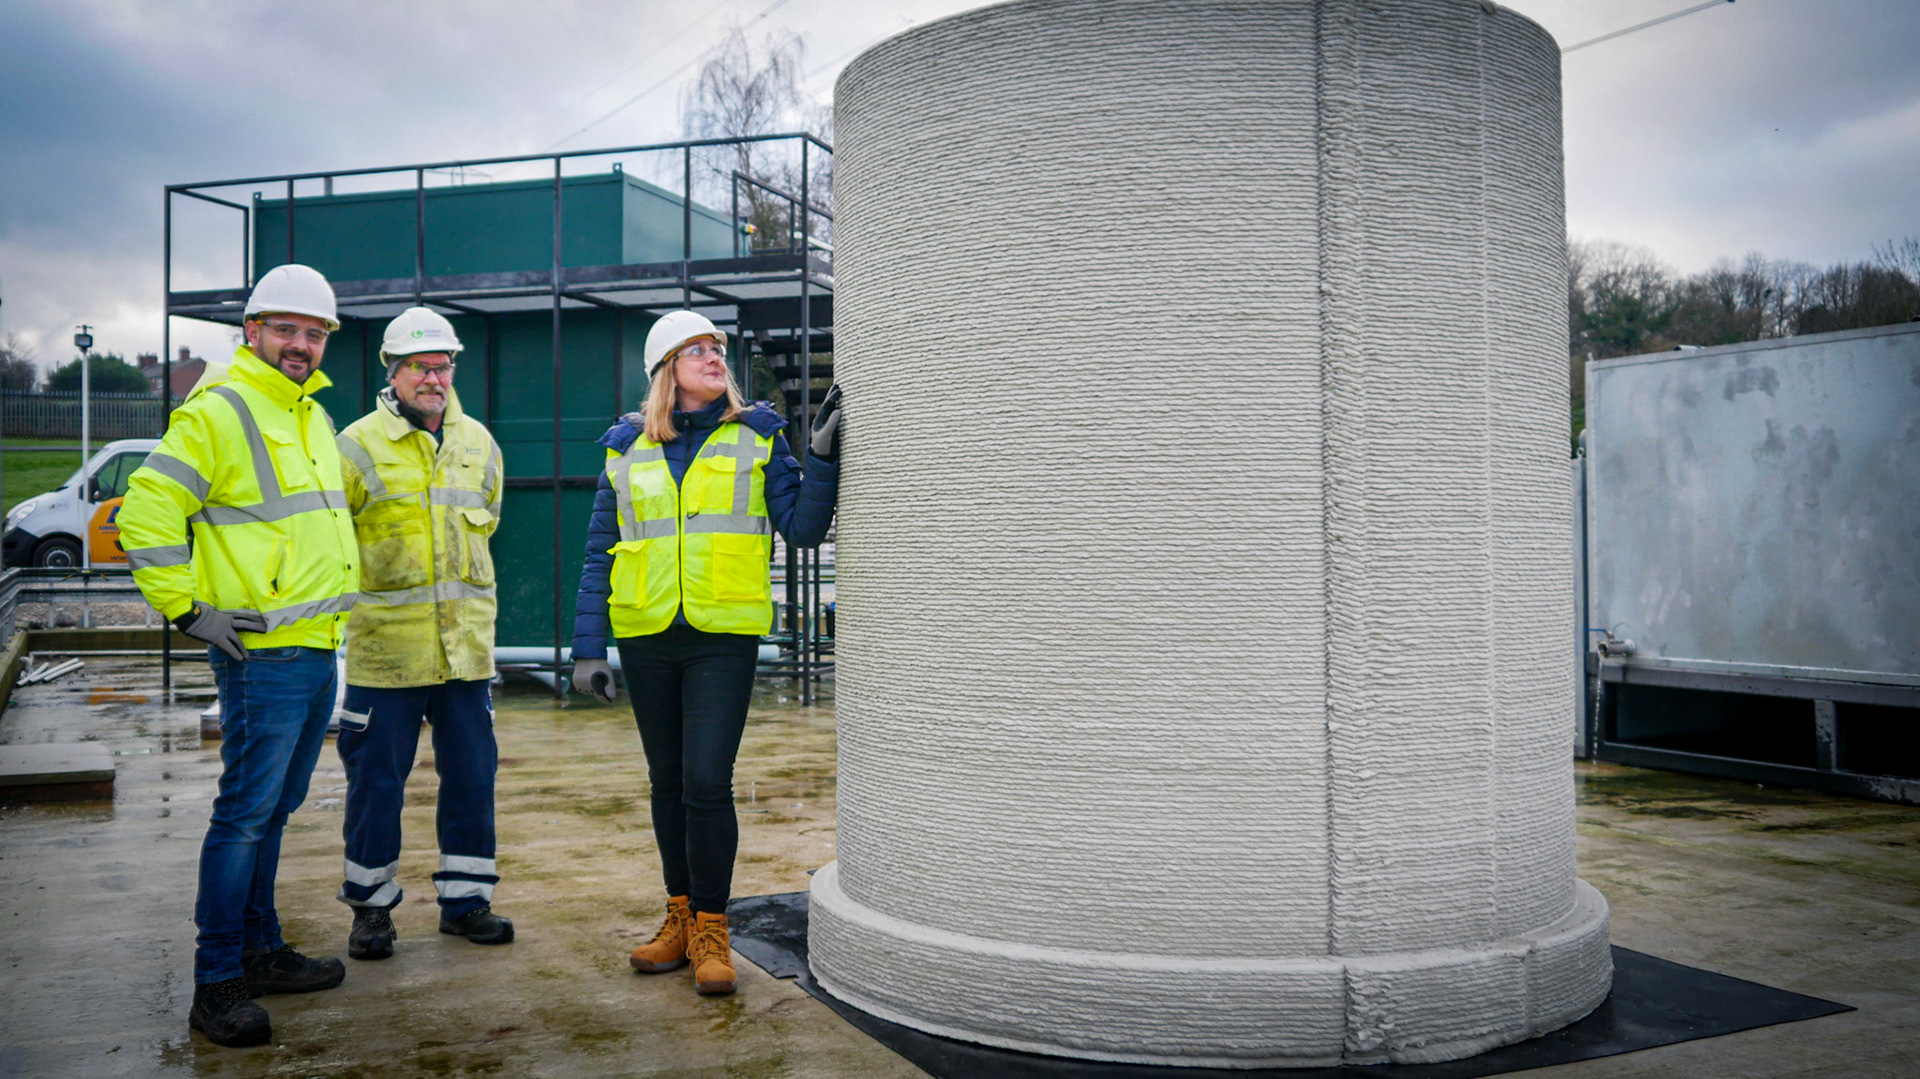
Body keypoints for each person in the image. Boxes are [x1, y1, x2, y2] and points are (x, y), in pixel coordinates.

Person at [119, 263, 361, 1048]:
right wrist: (188, 609)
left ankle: (261, 949)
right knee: (245, 815)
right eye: (286, 328)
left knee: (273, 809)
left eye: (314, 333)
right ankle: (217, 979)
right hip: (261, 653)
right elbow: (146, 509)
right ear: (252, 331)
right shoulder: (220, 409)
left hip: (314, 645)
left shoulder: (309, 413)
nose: (301, 344)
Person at [569, 310, 841, 995]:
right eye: (696, 350)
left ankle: (714, 928)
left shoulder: (758, 435)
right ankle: (681, 917)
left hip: (723, 635)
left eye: (717, 347)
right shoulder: (625, 446)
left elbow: (802, 529)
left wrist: (821, 459)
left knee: (707, 780)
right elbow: (601, 551)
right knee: (666, 782)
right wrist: (587, 647)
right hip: (645, 632)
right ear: (666, 370)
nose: (714, 357)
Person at [332, 307, 511, 961]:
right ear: (393, 371)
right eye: (419, 366)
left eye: (443, 365)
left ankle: (466, 903)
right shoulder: (354, 447)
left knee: (472, 780)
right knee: (376, 786)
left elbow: (489, 519)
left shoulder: (479, 444)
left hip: (465, 655)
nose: (434, 378)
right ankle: (371, 911)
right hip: (387, 655)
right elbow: (334, 544)